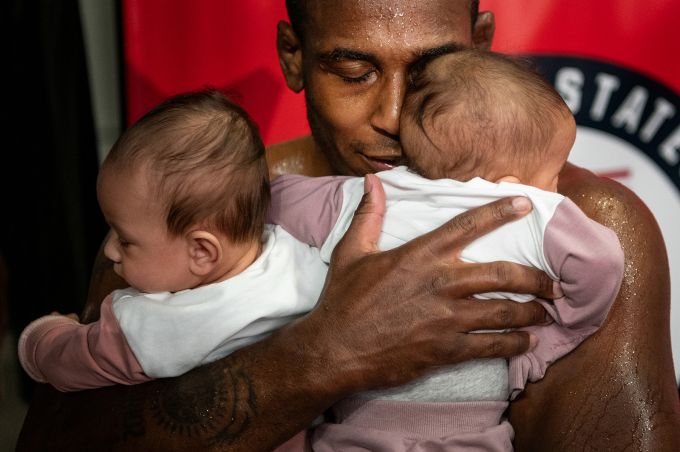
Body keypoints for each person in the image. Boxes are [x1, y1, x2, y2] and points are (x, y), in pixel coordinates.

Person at [17, 1, 680, 451]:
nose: (393, 115)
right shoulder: (202, 205)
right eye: (354, 71)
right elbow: (55, 438)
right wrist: (321, 355)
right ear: (293, 56)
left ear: (481, 46)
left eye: (429, 73)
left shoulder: (585, 225)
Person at [268, 49, 623, 449]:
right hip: (470, 428)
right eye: (554, 173)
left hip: (356, 425)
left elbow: (274, 200)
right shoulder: (531, 209)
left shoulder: (366, 194)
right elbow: (603, 263)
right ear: (512, 182)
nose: (556, 187)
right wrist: (552, 335)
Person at [18, 89, 331, 391]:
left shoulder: (164, 325)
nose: (110, 250)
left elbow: (70, 360)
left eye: (125, 240)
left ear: (201, 251)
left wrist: (39, 338)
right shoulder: (301, 256)